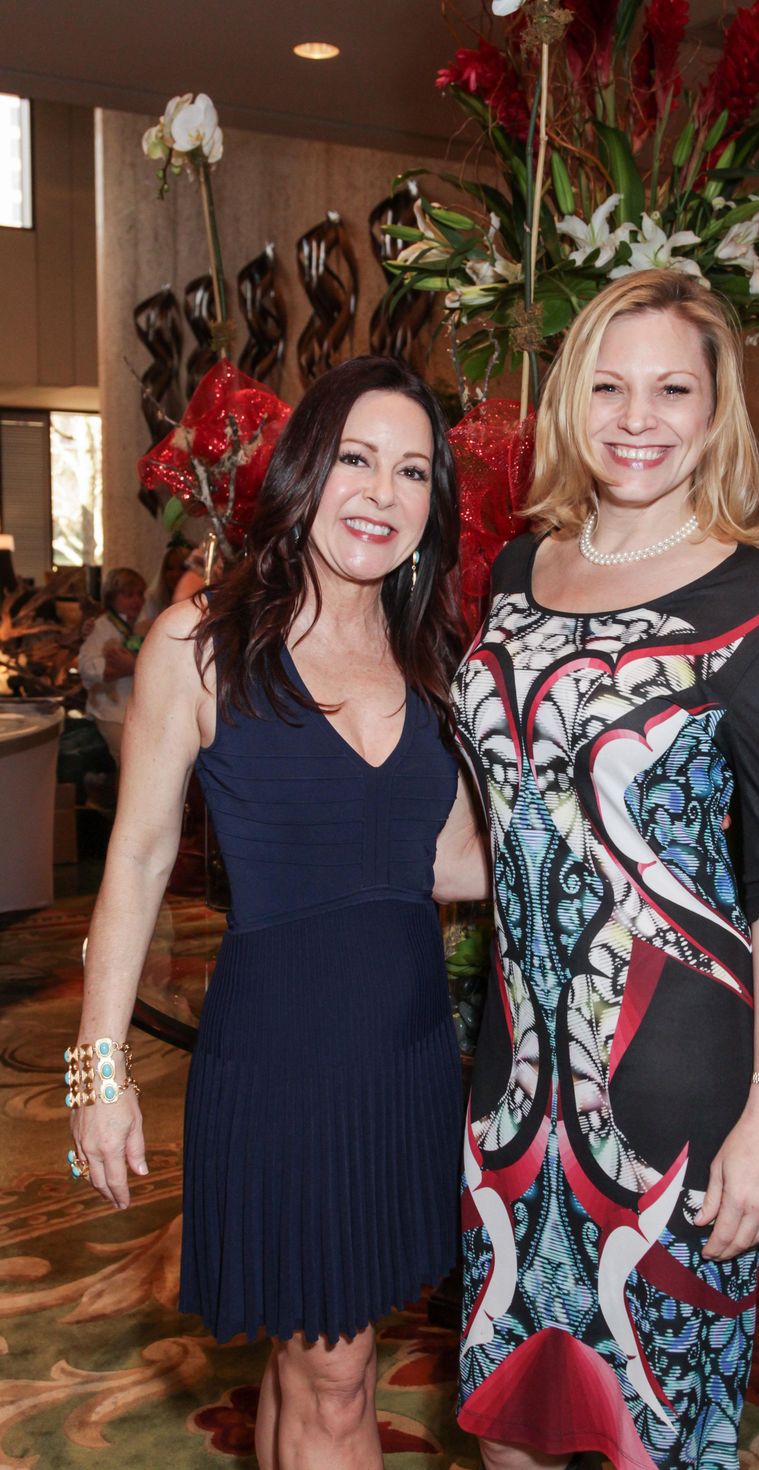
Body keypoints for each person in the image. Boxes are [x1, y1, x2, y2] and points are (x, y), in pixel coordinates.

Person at [441, 269, 759, 1470]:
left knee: (652, 1433)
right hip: (510, 1084)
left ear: (716, 411)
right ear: (568, 402)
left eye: (670, 388)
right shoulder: (516, 574)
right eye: (606, 386)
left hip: (676, 1097)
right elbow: (485, 819)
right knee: (506, 1427)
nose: (635, 417)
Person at [67, 357, 477, 1470]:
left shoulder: (432, 661)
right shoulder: (199, 644)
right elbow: (138, 859)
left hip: (406, 1064)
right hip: (282, 1066)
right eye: (355, 459)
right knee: (340, 1378)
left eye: (410, 472)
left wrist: (613, 839)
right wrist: (97, 1073)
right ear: (304, 469)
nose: (380, 494)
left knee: (318, 1364)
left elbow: (442, 861)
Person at [77, 566, 147, 763]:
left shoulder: (143, 625)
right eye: (128, 595)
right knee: (125, 757)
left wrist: (132, 664)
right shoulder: (100, 626)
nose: (136, 600)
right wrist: (114, 667)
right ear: (111, 597)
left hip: (135, 707)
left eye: (140, 594)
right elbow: (86, 665)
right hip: (109, 710)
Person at [138, 543, 188, 624]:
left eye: (182, 568)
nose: (175, 574)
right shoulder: (152, 598)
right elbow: (141, 628)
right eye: (169, 568)